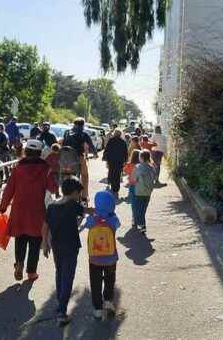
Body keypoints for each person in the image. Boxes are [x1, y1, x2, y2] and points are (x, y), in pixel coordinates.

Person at [0, 139, 58, 282]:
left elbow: (9, 189)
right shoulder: (46, 168)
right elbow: (53, 188)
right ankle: (31, 272)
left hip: (19, 210)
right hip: (37, 210)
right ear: (39, 152)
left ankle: (19, 263)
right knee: (35, 242)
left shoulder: (18, 168)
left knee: (20, 239)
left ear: (27, 151)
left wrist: (3, 206)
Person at [42, 177, 88, 325]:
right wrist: (101, 210)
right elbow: (86, 211)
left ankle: (60, 303)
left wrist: (44, 243)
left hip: (56, 244)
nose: (79, 196)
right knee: (68, 276)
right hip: (70, 245)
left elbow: (45, 226)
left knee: (59, 272)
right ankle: (62, 312)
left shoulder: (52, 206)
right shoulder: (73, 204)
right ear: (74, 192)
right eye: (78, 194)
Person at [81, 190, 120, 320]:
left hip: (95, 259)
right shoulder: (113, 219)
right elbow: (117, 225)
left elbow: (86, 225)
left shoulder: (92, 219)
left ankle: (97, 308)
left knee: (95, 282)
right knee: (110, 280)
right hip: (110, 258)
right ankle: (108, 301)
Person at [62, 118, 98, 199]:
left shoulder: (67, 132)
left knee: (67, 176)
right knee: (85, 176)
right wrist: (95, 154)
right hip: (79, 157)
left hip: (67, 158)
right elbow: (91, 146)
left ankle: (65, 195)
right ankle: (84, 196)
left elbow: (63, 145)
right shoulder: (84, 134)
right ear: (83, 125)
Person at [132, 150, 156, 233]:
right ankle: (141, 224)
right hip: (148, 191)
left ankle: (142, 225)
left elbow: (134, 179)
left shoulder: (137, 167)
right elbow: (154, 178)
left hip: (139, 191)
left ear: (141, 158)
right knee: (143, 209)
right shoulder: (152, 167)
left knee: (139, 209)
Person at [102, 129, 128, 196]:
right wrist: (125, 160)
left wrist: (105, 157)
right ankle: (116, 188)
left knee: (111, 171)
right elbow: (126, 152)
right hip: (120, 160)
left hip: (111, 160)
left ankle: (110, 182)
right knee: (118, 173)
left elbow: (107, 149)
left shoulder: (111, 140)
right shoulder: (123, 142)